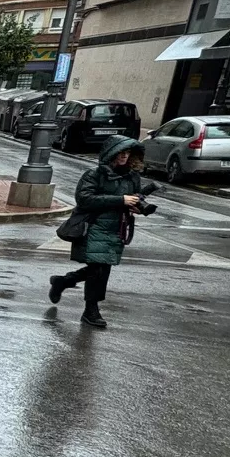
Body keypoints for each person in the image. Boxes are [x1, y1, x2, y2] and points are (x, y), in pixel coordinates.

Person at [49, 136, 147, 330]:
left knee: (102, 269)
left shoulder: (132, 177)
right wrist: (120, 200)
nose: (124, 156)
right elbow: (84, 199)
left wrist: (137, 206)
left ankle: (63, 282)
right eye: (120, 153)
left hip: (116, 228)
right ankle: (90, 310)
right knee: (98, 269)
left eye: (127, 153)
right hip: (93, 226)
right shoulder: (94, 174)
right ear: (111, 154)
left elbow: (134, 197)